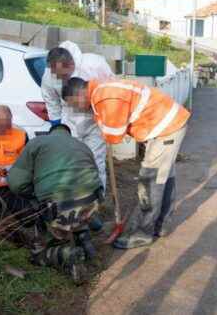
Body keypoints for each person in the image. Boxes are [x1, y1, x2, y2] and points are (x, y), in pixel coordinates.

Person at [63, 77, 190, 249]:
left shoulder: (104, 96)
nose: (76, 108)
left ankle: (144, 233)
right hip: (167, 123)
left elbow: (115, 135)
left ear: (79, 94)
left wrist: (105, 131)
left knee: (150, 180)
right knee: (164, 177)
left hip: (165, 128)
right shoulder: (100, 88)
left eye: (73, 103)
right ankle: (162, 225)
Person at [4, 123, 103, 282]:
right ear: (68, 134)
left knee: (38, 255)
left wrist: (35, 194)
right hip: (91, 201)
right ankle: (83, 238)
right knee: (80, 208)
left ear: (50, 133)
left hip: (60, 203)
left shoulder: (37, 143)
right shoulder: (82, 146)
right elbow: (97, 180)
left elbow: (16, 183)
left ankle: (67, 254)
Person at [41, 41, 113, 192]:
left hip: (95, 119)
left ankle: (96, 200)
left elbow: (112, 89)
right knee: (71, 163)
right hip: (70, 121)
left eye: (65, 75)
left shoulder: (94, 64)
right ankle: (76, 200)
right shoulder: (49, 76)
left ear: (71, 64)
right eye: (58, 75)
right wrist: (57, 129)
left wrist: (110, 120)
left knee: (94, 161)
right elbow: (52, 102)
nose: (62, 79)